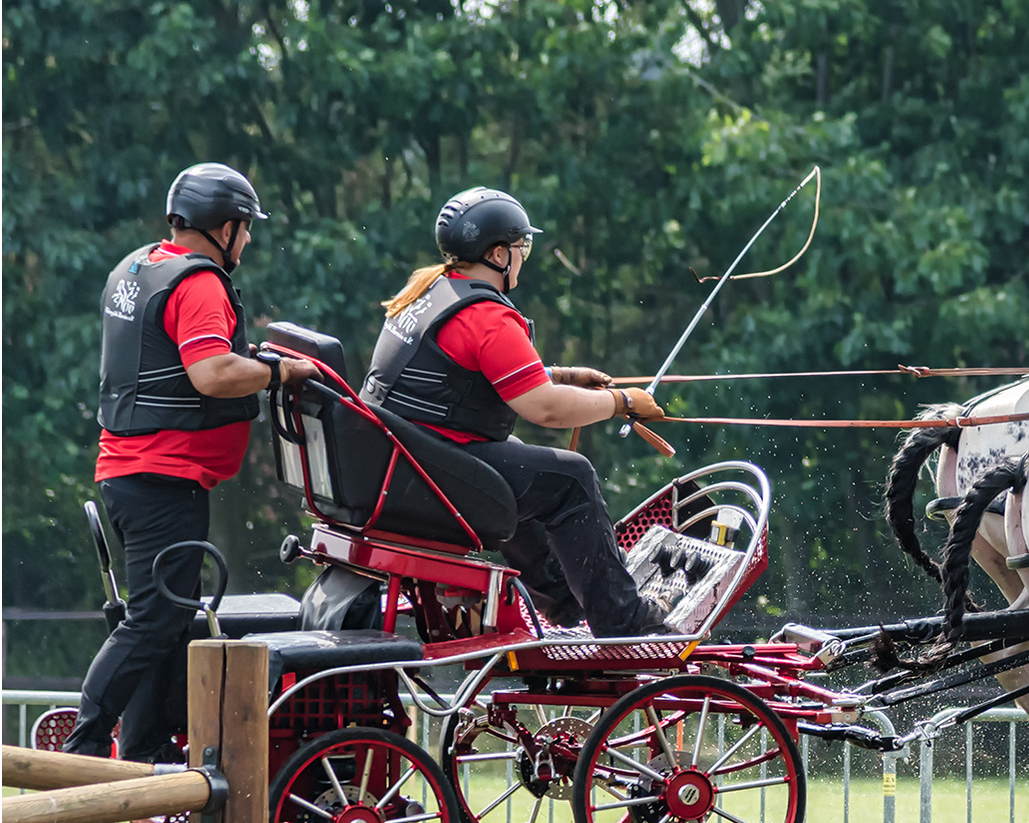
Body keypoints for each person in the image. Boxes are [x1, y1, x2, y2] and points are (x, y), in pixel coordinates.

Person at [68, 162, 320, 761]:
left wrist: (254, 357)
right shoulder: (200, 283)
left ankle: (145, 750)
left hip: (131, 471)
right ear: (221, 226)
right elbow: (211, 373)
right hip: (163, 476)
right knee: (153, 620)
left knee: (172, 620)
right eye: (245, 226)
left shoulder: (138, 268)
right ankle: (78, 753)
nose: (250, 239)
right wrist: (280, 370)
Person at [359, 186, 672, 637]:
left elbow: (461, 377)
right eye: (522, 246)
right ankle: (622, 618)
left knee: (520, 462)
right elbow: (542, 408)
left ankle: (566, 602)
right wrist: (621, 402)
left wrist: (561, 374)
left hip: (406, 465)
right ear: (499, 254)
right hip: (431, 479)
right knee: (571, 478)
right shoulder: (486, 316)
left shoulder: (427, 292)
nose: (525, 256)